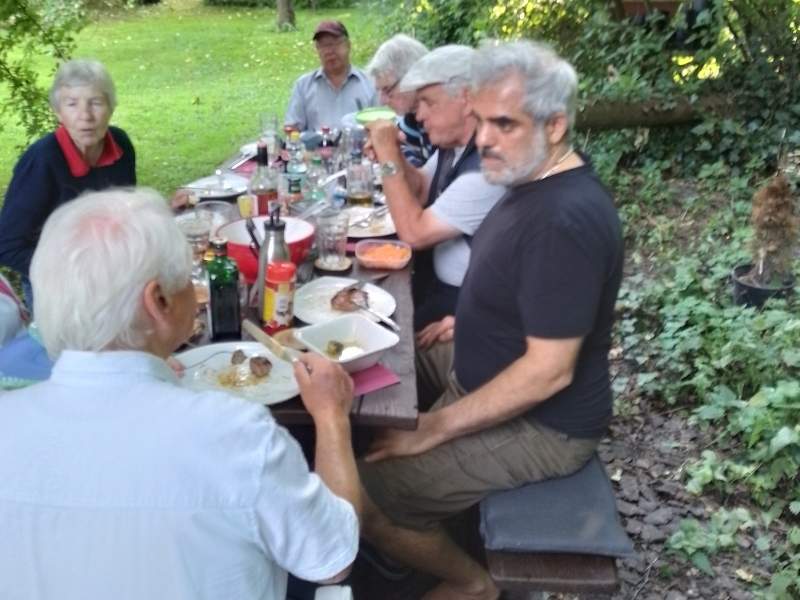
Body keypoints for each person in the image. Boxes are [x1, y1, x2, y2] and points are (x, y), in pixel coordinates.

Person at [358, 40, 624, 600]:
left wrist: (433, 427)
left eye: (504, 123)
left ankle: (471, 582)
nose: (483, 140)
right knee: (378, 361)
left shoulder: (563, 219)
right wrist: (473, 315)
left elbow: (547, 374)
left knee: (367, 492)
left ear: (555, 126)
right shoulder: (531, 179)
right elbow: (523, 285)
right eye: (480, 121)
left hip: (545, 425)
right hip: (481, 362)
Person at [0, 188, 361, 600]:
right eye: (190, 279)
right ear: (158, 300)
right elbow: (334, 559)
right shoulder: (237, 436)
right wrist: (332, 416)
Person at [366, 45, 505, 330]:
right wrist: (392, 152)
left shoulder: (488, 168)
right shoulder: (453, 146)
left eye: (429, 102)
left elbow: (414, 233)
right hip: (436, 290)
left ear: (466, 99)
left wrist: (388, 158)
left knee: (383, 340)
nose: (419, 116)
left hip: (466, 309)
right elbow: (418, 188)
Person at [0, 59, 136, 310]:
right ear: (58, 112)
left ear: (111, 107)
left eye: (95, 102)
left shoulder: (120, 144)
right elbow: (7, 245)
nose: (85, 115)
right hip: (56, 284)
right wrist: (72, 274)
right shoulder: (42, 162)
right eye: (72, 104)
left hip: (110, 272)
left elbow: (125, 212)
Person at [284, 20, 377, 134]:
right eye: (323, 46)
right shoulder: (303, 86)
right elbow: (292, 128)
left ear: (348, 45)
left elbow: (383, 129)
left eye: (335, 44)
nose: (329, 51)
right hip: (315, 150)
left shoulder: (371, 84)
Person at [365, 34, 433, 167]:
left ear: (411, 77)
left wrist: (388, 153)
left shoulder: (441, 119)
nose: (383, 100)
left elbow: (430, 182)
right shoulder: (413, 114)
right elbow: (401, 147)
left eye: (387, 89)